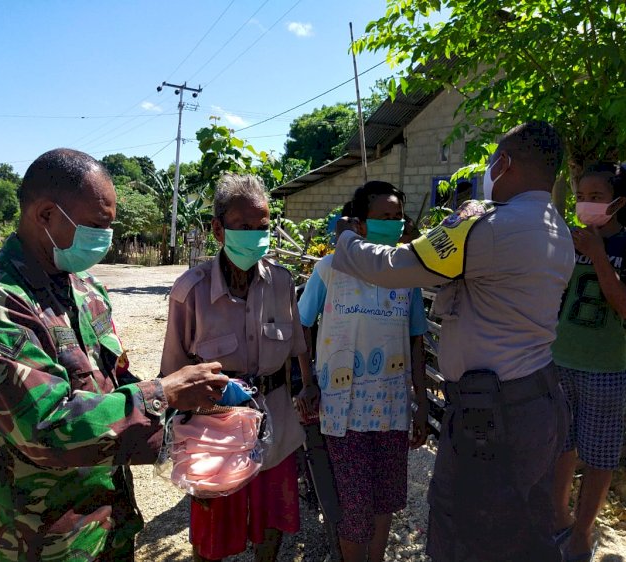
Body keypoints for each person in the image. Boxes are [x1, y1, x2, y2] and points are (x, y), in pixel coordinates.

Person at [0, 148, 229, 561]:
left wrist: (186, 446)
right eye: (97, 225)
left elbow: (114, 387)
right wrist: (162, 393)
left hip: (110, 524)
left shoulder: (86, 289)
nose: (105, 239)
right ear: (45, 216)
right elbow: (48, 427)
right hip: (42, 540)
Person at [333, 121, 574, 561]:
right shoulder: (556, 228)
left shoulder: (489, 227)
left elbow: (392, 267)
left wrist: (347, 240)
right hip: (537, 399)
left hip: (492, 414)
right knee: (523, 529)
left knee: (465, 528)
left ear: (503, 164)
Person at [160, 174, 307, 562]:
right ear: (218, 229)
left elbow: (297, 350)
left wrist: (309, 390)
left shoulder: (281, 282)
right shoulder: (190, 291)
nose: (255, 236)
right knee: (212, 535)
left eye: (262, 227)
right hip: (215, 430)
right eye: (244, 227)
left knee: (272, 522)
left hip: (275, 423)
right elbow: (172, 377)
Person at [297, 180, 429, 562]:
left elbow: (417, 339)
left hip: (391, 410)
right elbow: (302, 324)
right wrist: (308, 383)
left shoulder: (407, 274)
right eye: (383, 217)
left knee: (383, 502)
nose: (393, 224)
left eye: (397, 217)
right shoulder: (330, 268)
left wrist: (420, 402)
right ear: (358, 225)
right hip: (343, 410)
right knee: (353, 508)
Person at [550, 163, 626, 561]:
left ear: (618, 202)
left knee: (599, 454)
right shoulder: (566, 239)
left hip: (604, 369)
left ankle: (582, 530)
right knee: (561, 446)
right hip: (559, 360)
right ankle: (557, 518)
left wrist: (597, 255)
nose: (585, 204)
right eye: (582, 196)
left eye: (596, 197)